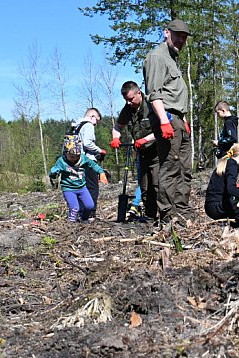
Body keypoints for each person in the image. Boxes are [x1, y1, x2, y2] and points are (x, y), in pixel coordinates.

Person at [143, 19, 193, 225]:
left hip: (178, 119)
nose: (181, 39)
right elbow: (154, 93)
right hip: (168, 119)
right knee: (170, 166)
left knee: (184, 168)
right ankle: (168, 215)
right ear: (166, 33)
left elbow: (174, 93)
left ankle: (182, 210)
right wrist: (164, 121)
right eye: (177, 35)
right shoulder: (157, 57)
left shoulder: (172, 59)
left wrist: (184, 119)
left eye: (184, 36)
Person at [112, 80, 160, 222]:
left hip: (157, 152)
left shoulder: (151, 105)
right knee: (144, 186)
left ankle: (164, 216)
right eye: (126, 100)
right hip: (141, 153)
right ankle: (150, 216)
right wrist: (116, 137)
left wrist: (146, 140)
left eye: (131, 99)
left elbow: (162, 128)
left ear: (139, 93)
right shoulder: (127, 110)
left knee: (158, 184)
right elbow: (117, 126)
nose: (128, 103)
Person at [49, 136, 108, 222]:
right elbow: (53, 174)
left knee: (90, 206)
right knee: (74, 208)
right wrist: (54, 173)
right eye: (72, 156)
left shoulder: (83, 158)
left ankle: (84, 219)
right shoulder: (61, 161)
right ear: (66, 153)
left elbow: (93, 165)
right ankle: (71, 224)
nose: (74, 159)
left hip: (82, 187)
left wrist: (101, 172)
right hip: (69, 188)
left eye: (77, 156)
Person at [73, 108, 106, 220]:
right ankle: (90, 214)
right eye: (97, 120)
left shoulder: (76, 126)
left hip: (76, 162)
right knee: (92, 187)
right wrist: (99, 150)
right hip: (88, 161)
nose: (96, 123)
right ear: (92, 116)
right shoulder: (88, 125)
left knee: (81, 187)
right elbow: (87, 143)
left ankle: (80, 212)